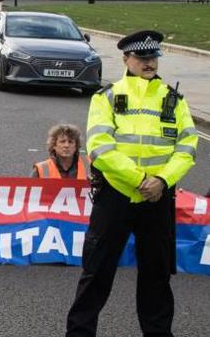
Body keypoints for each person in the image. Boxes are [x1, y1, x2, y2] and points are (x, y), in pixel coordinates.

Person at [66, 30, 198, 337]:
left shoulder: (174, 100)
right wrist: (140, 180)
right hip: (116, 197)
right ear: (127, 59)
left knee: (157, 278)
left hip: (158, 200)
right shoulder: (107, 97)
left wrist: (163, 181)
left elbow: (188, 147)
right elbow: (100, 148)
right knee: (96, 273)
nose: (149, 63)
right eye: (142, 58)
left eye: (153, 58)